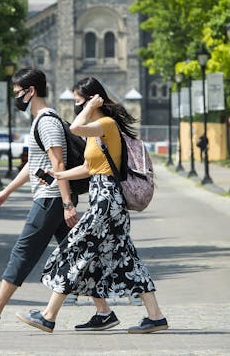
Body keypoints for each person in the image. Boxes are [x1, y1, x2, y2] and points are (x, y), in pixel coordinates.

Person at [16, 77, 168, 334]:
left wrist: (88, 109)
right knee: (126, 259)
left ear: (92, 99)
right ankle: (151, 316)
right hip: (104, 198)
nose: (76, 106)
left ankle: (48, 315)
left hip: (106, 201)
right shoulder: (97, 131)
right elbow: (89, 168)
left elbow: (75, 128)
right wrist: (58, 176)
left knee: (75, 250)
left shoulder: (105, 124)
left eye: (78, 101)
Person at [0, 68, 79, 330]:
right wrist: (7, 191)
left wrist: (68, 203)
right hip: (54, 198)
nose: (16, 98)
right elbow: (35, 165)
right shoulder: (42, 121)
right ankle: (103, 311)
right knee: (75, 254)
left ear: (30, 91)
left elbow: (59, 163)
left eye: (17, 93)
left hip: (51, 199)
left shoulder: (46, 121)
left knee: (23, 253)